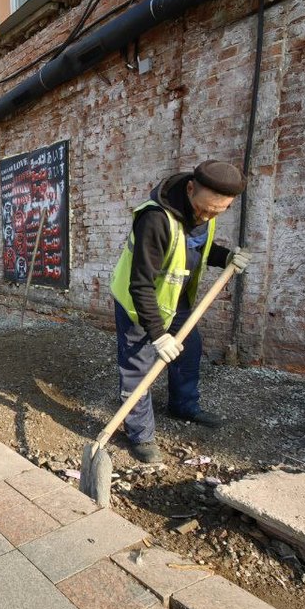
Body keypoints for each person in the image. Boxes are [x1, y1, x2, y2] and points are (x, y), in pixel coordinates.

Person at [109, 160, 252, 464]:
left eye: (219, 210)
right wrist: (159, 336)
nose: (208, 215)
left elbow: (197, 246)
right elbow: (141, 285)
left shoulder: (207, 213)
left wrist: (226, 255)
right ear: (190, 189)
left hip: (175, 301)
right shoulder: (154, 219)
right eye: (205, 209)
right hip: (138, 304)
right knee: (139, 368)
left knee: (189, 350)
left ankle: (184, 405)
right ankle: (141, 435)